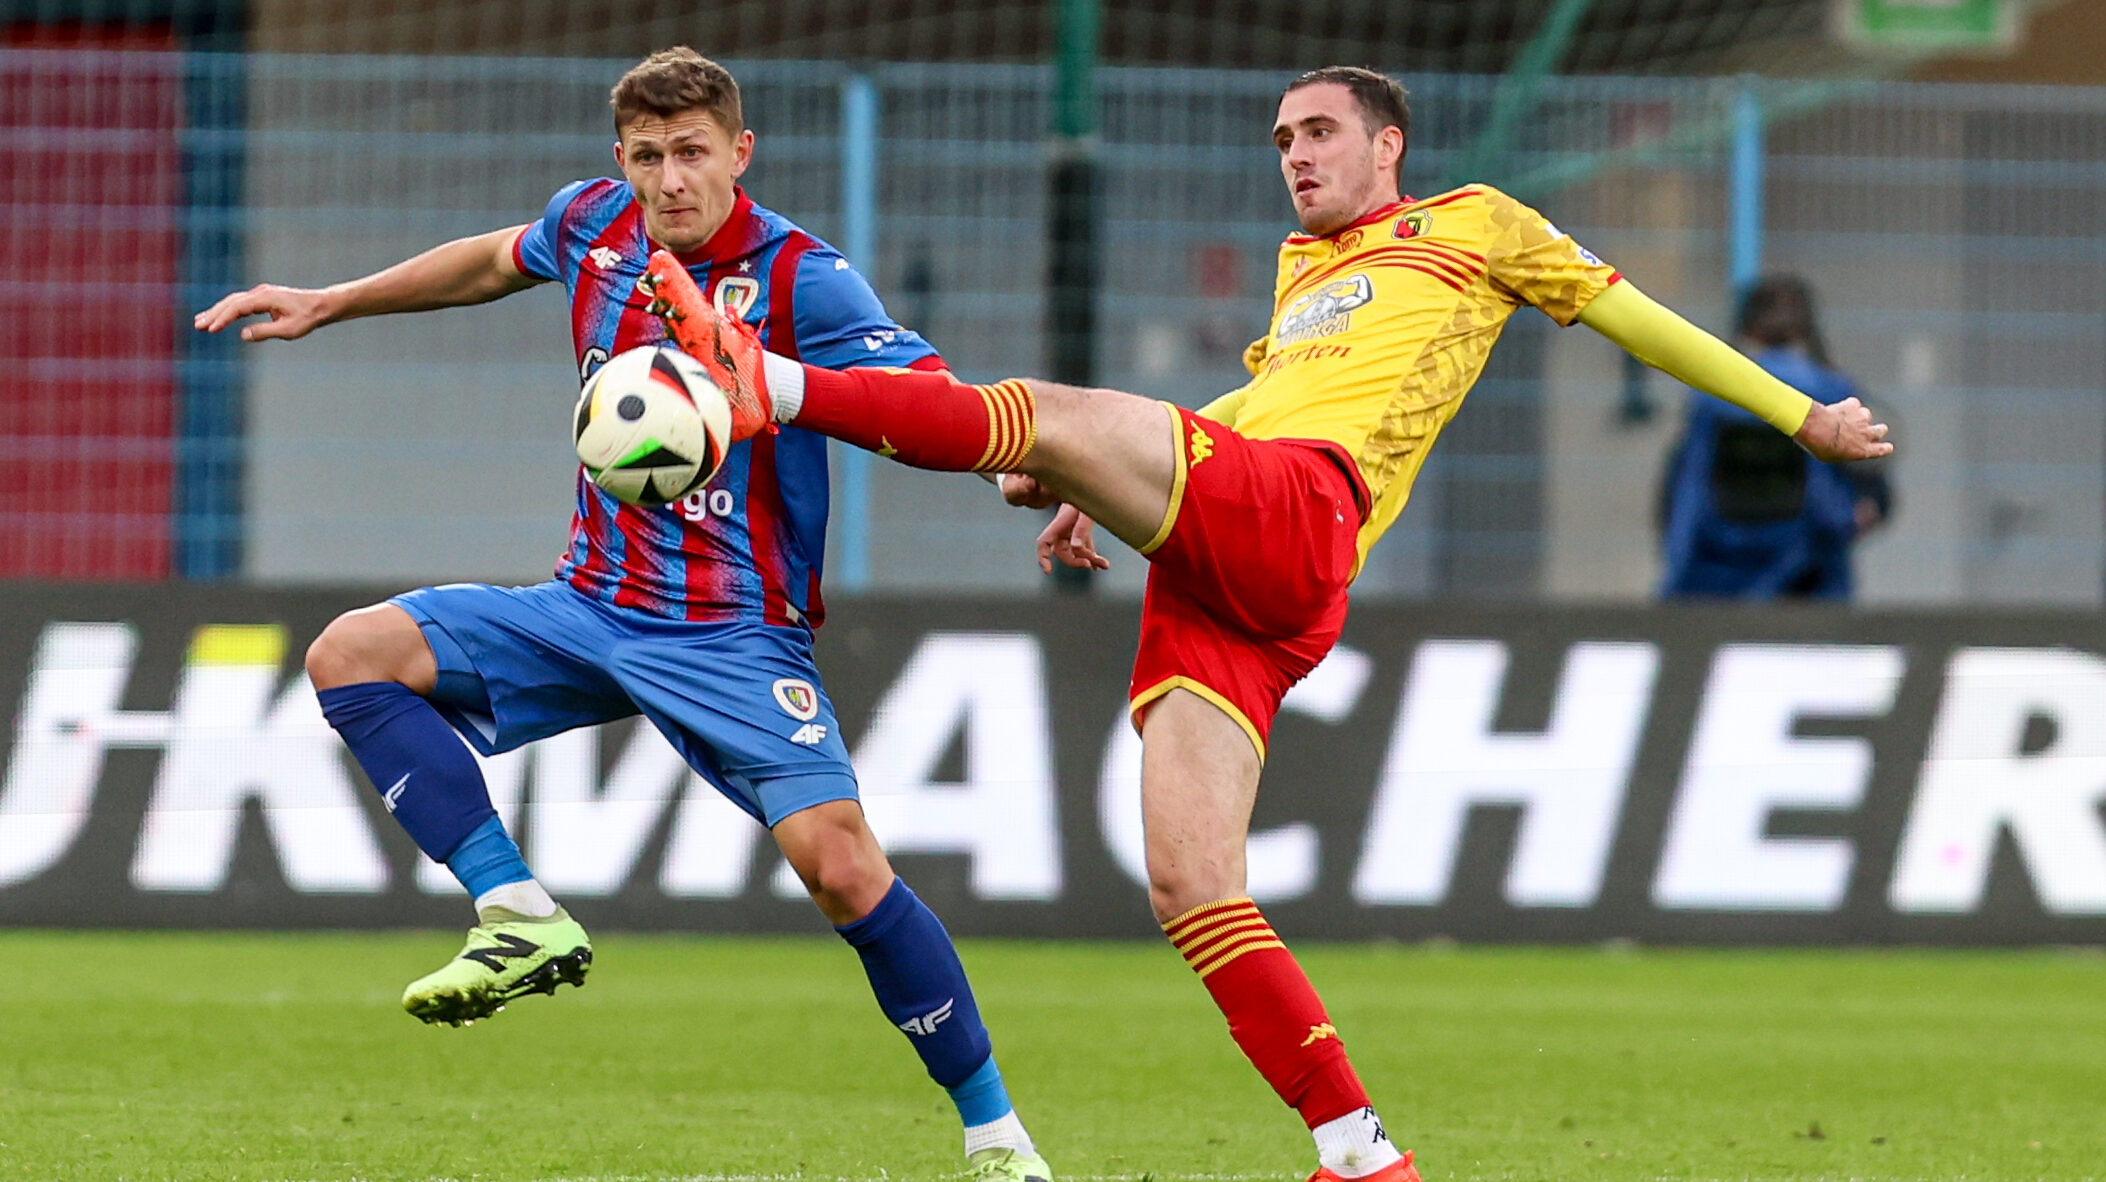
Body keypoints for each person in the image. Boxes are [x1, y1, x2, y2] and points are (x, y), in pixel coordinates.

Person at [643, 65, 1893, 1180]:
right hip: (1231, 569)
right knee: (1192, 882)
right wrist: (1093, 485)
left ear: (1386, 144)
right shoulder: (1310, 274)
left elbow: (1637, 319)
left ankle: (776, 386)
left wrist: (1801, 416)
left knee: (1045, 405)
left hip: (1301, 515)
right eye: (1281, 139)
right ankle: (1357, 1149)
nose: (1294, 155)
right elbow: (1260, 394)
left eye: (1317, 132)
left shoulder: (1477, 228)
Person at [192, 47, 1053, 1182]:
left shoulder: (803, 279)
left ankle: (996, 1135)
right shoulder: (593, 224)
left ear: (740, 154)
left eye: (691, 153)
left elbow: (927, 399)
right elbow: (490, 263)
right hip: (588, 604)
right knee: (352, 656)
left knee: (841, 868)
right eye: (647, 157)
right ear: (620, 162)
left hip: (734, 634)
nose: (669, 180)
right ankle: (517, 912)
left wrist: (1026, 474)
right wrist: (333, 301)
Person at [1659, 274, 1893, 599]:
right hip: (1806, 585)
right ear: (1807, 329)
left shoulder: (1712, 396)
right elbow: (1838, 506)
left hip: (1714, 583)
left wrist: (1673, 583)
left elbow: (1687, 495)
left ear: (1747, 327)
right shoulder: (1832, 390)